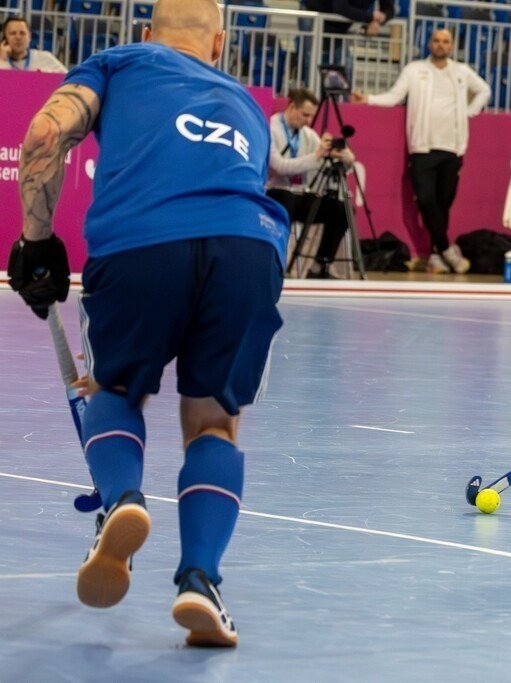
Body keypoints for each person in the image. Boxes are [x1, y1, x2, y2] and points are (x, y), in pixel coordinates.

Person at [6, 0, 289, 647]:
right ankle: (201, 580)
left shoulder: (119, 62)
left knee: (115, 388)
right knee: (215, 420)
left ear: (146, 35)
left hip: (142, 244)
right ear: (219, 43)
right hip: (249, 246)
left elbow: (48, 135)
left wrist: (35, 240)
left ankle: (121, 497)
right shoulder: (247, 104)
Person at [351, 29, 490, 274]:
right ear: (429, 43)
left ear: (452, 46)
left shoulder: (461, 71)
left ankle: (437, 255)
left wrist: (470, 112)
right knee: (426, 200)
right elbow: (395, 96)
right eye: (436, 40)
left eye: (446, 41)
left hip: (453, 147)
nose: (440, 44)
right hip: (422, 148)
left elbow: (484, 90)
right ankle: (447, 249)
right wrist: (369, 99)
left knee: (443, 203)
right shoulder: (414, 70)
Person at [267, 87, 354, 278]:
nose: (308, 121)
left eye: (311, 116)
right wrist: (317, 155)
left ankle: (320, 265)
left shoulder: (306, 133)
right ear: (291, 107)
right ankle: (278, 263)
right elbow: (280, 167)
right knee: (287, 198)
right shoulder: (270, 128)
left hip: (300, 195)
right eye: (305, 115)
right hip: (274, 192)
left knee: (341, 209)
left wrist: (344, 159)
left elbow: (326, 159)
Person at [0, 16, 67, 73]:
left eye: (22, 33)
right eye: (13, 33)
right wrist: (3, 60)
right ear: (5, 38)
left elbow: (69, 79)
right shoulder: (1, 60)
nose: (18, 37)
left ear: (29, 37)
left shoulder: (45, 58)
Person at [302, 0, 395, 37]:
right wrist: (370, 18)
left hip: (339, 24)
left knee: (341, 66)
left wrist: (378, 20)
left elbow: (389, 9)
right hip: (314, 12)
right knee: (309, 58)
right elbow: (340, 7)